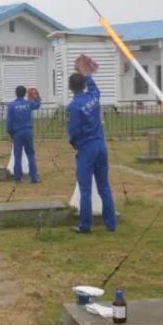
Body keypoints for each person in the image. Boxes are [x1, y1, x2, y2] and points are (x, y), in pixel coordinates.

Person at [66, 65, 117, 234]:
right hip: (101, 144)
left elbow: (74, 130)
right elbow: (95, 89)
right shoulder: (93, 97)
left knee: (85, 188)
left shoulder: (73, 106)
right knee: (104, 186)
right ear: (84, 85)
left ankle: (85, 225)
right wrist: (86, 74)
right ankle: (111, 224)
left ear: (70, 88)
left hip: (86, 147)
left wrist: (75, 144)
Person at [6, 85, 41, 183]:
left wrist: (10, 133)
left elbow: (9, 122)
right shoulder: (28, 103)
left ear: (16, 93)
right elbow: (37, 104)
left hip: (17, 133)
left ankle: (18, 178)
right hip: (28, 131)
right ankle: (33, 177)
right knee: (30, 154)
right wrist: (37, 96)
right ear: (25, 93)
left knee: (17, 155)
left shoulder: (12, 106)